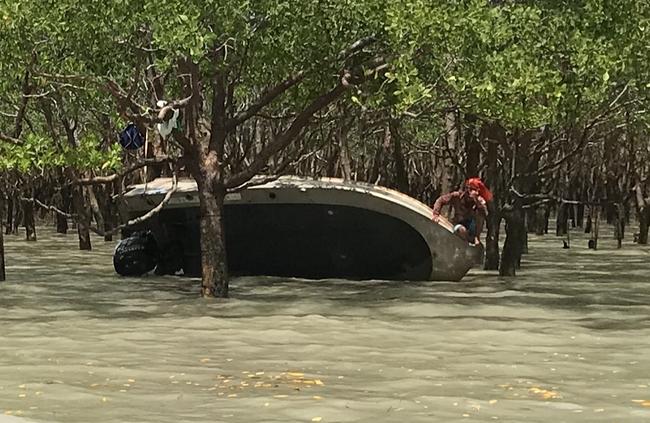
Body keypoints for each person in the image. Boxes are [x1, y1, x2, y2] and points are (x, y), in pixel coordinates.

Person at [431, 178, 493, 245]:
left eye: (476, 190)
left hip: (472, 227)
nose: (475, 192)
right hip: (459, 224)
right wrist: (436, 214)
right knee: (461, 230)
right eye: (473, 190)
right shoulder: (457, 196)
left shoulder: (479, 200)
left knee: (480, 215)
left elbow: (485, 214)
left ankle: (475, 237)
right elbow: (440, 200)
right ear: (468, 190)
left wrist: (477, 202)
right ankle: (465, 242)